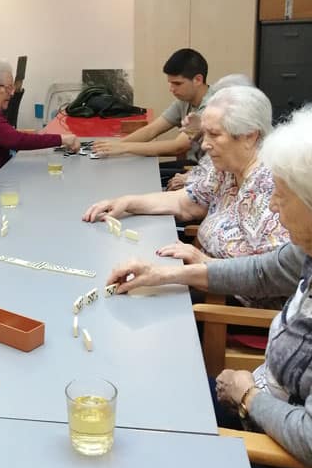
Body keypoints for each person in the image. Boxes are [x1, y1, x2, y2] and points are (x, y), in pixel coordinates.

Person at [107, 107, 312, 468]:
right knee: (152, 404)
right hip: (264, 410)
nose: (273, 204)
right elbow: (258, 272)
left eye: (283, 195)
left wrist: (248, 398)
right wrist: (164, 274)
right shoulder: (306, 251)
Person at [83, 86, 289, 306]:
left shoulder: (271, 189)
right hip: (202, 276)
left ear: (250, 136)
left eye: (214, 134)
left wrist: (203, 264)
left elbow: (271, 277)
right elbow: (187, 202)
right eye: (205, 132)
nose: (204, 144)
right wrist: (127, 202)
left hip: (233, 301)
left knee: (137, 301)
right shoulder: (227, 167)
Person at [91, 49, 211, 172]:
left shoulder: (212, 108)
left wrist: (123, 147)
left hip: (205, 174)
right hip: (195, 168)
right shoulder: (185, 100)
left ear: (198, 80)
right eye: (170, 83)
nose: (172, 89)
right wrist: (114, 145)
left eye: (177, 84)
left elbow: (178, 146)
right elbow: (152, 130)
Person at [0, 57, 80, 169]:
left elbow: (8, 134)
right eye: (8, 88)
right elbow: (14, 140)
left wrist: (41, 135)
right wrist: (61, 139)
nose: (12, 93)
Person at [167, 73, 254, 192]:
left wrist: (189, 180)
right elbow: (209, 166)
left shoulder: (247, 135)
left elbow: (218, 180)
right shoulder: (226, 127)